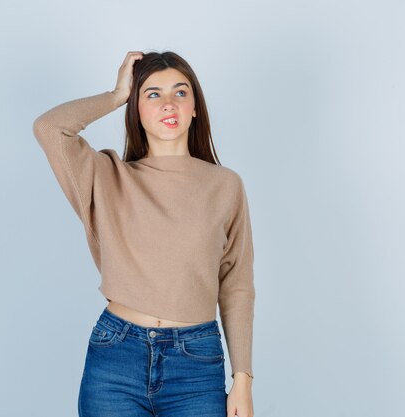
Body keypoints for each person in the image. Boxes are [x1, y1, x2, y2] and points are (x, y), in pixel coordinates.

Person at [32, 50, 255, 417]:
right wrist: (117, 94)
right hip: (116, 359)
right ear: (135, 109)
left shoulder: (225, 186)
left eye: (180, 93)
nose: (169, 103)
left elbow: (237, 284)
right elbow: (50, 128)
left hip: (195, 366)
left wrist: (242, 379)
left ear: (195, 107)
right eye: (153, 94)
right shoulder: (107, 177)